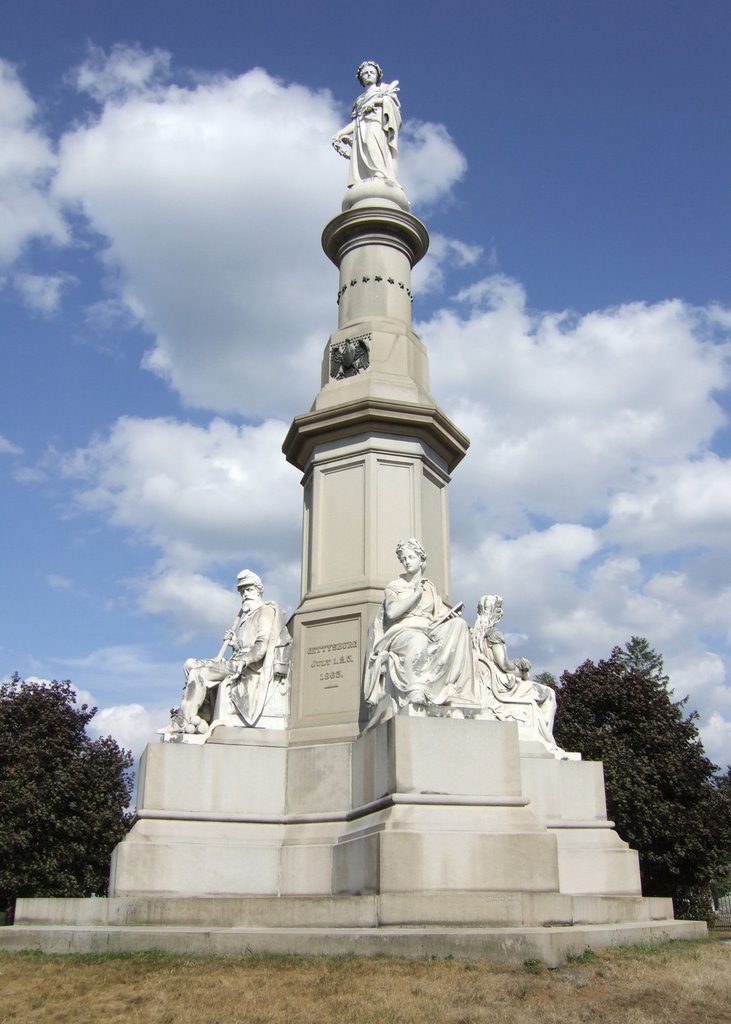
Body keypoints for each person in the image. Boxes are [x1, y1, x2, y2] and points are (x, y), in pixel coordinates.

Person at [364, 539, 480, 713]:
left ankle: (455, 689)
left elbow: (439, 613)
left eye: (411, 557)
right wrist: (416, 594)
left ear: (421, 559)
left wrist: (450, 616)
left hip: (431, 628)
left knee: (459, 625)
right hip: (404, 629)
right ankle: (416, 689)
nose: (407, 561)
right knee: (417, 640)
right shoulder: (396, 585)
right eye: (404, 559)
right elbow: (392, 612)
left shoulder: (430, 586)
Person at [170, 570, 290, 734]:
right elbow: (246, 646)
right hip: (236, 660)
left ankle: (183, 720)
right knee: (190, 664)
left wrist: (243, 660)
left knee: (199, 673)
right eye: (242, 591)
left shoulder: (265, 611)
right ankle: (201, 712)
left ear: (258, 591)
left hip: (248, 667)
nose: (245, 594)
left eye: (249, 590)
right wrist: (235, 643)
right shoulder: (246, 617)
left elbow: (261, 646)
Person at [471, 594, 565, 755]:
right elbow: (504, 665)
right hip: (502, 684)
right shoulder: (493, 634)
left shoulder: (473, 634)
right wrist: (521, 668)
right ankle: (547, 740)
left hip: (487, 681)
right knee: (549, 694)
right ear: (495, 613)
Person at [332, 61, 402, 187]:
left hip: (377, 124)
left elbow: (393, 105)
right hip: (361, 129)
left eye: (371, 72)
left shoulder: (384, 90)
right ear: (361, 78)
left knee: (372, 142)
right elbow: (356, 121)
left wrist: (375, 101)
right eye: (365, 73)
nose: (368, 74)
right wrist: (341, 133)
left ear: (377, 75)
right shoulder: (359, 100)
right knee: (365, 150)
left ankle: (379, 172)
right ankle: (369, 176)